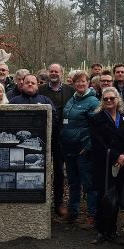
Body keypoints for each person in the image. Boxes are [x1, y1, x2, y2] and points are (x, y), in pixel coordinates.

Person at [89, 86, 124, 244]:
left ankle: (112, 230)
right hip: (104, 163)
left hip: (122, 164)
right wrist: (116, 156)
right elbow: (97, 142)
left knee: (115, 198)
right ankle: (101, 231)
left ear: (118, 100)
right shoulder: (97, 119)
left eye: (112, 98)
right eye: (106, 99)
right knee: (103, 197)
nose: (109, 101)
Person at [61, 70, 101, 226]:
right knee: (73, 182)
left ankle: (92, 215)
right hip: (69, 148)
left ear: (88, 83)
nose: (80, 84)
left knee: (89, 184)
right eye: (77, 81)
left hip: (83, 150)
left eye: (83, 81)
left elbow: (97, 128)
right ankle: (73, 212)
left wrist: (88, 146)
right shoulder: (72, 99)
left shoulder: (93, 102)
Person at [40, 64, 74, 216]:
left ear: (62, 73)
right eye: (51, 71)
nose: (54, 73)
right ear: (48, 73)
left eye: (57, 71)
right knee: (40, 169)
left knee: (59, 171)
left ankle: (58, 203)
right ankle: (40, 201)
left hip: (62, 137)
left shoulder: (70, 91)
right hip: (43, 136)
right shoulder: (40, 90)